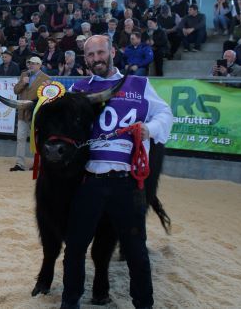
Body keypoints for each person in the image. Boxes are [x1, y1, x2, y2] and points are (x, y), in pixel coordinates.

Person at [62, 34, 173, 309]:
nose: (96, 59)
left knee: (136, 251)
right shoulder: (78, 88)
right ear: (85, 59)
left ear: (112, 51)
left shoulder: (140, 84)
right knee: (75, 249)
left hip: (127, 183)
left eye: (100, 52)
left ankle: (143, 304)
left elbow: (165, 113)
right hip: (89, 182)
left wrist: (151, 129)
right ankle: (70, 302)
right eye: (90, 55)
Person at [11, 56, 49, 172]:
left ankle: (37, 164)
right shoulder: (24, 75)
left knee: (37, 140)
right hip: (23, 113)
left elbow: (47, 97)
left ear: (39, 65)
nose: (31, 65)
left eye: (34, 63)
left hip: (36, 114)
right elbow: (16, 90)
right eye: (30, 63)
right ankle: (19, 164)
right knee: (20, 138)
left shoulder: (46, 78)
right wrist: (23, 83)